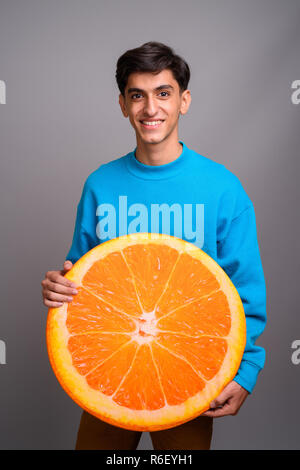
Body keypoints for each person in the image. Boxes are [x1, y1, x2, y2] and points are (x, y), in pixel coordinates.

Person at [41, 41, 267, 450]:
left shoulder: (223, 188)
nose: (151, 108)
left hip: (189, 372)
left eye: (163, 93)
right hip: (111, 371)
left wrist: (246, 370)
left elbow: (244, 288)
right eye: (137, 95)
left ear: (184, 100)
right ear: (123, 104)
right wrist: (59, 287)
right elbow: (81, 281)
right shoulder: (100, 184)